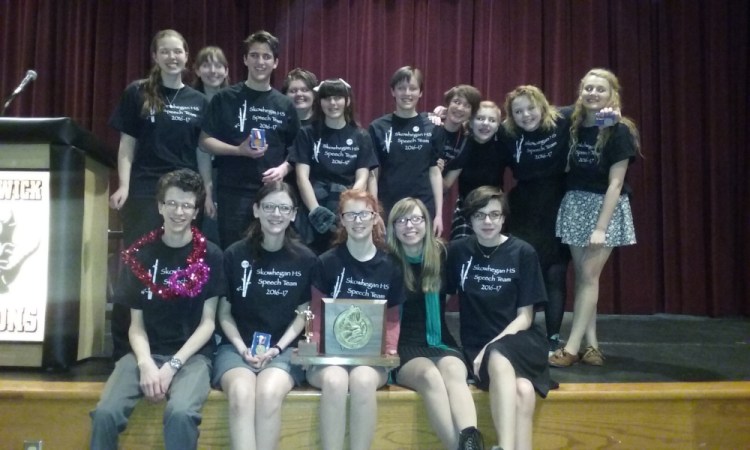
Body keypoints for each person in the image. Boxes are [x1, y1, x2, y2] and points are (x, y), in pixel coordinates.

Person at [90, 169, 224, 450]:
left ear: (196, 210)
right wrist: (146, 363)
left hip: (193, 356)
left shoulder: (211, 254)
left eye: (187, 205)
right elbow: (135, 324)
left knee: (180, 413)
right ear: (160, 206)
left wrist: (173, 366)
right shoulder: (140, 253)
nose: (179, 211)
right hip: (144, 352)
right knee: (104, 413)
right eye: (172, 203)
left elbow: (208, 323)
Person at [108, 29, 213, 361]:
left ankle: (176, 346)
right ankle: (125, 350)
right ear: (155, 56)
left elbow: (201, 153)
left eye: (178, 52)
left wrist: (206, 192)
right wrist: (123, 185)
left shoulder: (199, 101)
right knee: (137, 266)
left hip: (185, 193)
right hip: (144, 191)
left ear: (186, 56)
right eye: (165, 52)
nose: (172, 57)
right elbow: (127, 146)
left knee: (182, 267)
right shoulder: (138, 93)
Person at [214, 181, 318, 450]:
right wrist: (242, 348)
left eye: (284, 208)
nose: (276, 214)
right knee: (240, 394)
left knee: (269, 393)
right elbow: (224, 314)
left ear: (294, 214)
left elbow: (304, 313)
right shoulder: (234, 254)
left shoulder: (306, 259)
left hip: (284, 349)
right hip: (235, 349)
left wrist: (277, 348)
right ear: (256, 210)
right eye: (269, 206)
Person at [446, 186, 550, 450]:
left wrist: (491, 348)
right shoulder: (458, 251)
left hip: (519, 340)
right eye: (480, 216)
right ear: (469, 220)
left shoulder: (523, 252)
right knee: (524, 391)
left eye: (494, 214)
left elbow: (525, 317)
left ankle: (503, 447)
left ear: (504, 218)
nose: (488, 221)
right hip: (476, 344)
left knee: (499, 355)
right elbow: (441, 297)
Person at [549, 68, 640, 368]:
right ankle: (592, 346)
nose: (592, 93)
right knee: (586, 279)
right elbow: (538, 112)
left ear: (612, 93)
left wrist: (601, 227)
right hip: (576, 204)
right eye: (588, 88)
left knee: (588, 278)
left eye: (600, 89)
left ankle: (572, 348)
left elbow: (616, 184)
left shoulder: (619, 129)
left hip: (605, 208)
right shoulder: (572, 121)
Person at [307, 189, 405, 450]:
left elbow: (393, 318)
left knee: (362, 380)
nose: (358, 220)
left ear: (375, 218)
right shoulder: (326, 262)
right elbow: (315, 314)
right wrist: (316, 350)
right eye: (351, 214)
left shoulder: (391, 266)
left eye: (364, 214)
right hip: (330, 358)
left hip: (371, 360)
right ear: (342, 219)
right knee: (335, 380)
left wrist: (390, 349)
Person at [387, 197, 483, 450]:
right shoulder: (386, 261)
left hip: (441, 342)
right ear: (393, 226)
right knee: (430, 376)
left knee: (453, 372)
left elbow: (449, 293)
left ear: (427, 223)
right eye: (402, 220)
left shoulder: (442, 254)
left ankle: (471, 442)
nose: (410, 226)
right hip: (404, 348)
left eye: (416, 219)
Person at [200, 30, 300, 248]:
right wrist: (239, 150)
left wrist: (283, 170)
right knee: (234, 252)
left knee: (270, 254)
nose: (260, 61)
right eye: (254, 55)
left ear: (275, 63)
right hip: (233, 191)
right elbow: (205, 141)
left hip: (272, 193)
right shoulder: (224, 99)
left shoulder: (285, 105)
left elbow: (297, 150)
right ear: (245, 59)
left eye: (266, 57)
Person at [500, 86, 571, 354]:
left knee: (555, 273)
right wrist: (439, 114)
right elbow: (474, 125)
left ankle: (553, 337)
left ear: (542, 106)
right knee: (523, 274)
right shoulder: (507, 134)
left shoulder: (563, 120)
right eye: (518, 111)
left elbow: (594, 110)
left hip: (557, 205)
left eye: (530, 108)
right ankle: (520, 332)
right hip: (524, 208)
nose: (526, 115)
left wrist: (611, 114)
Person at [290, 78, 378, 253]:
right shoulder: (307, 133)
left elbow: (363, 177)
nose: (332, 103)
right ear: (319, 102)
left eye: (337, 97)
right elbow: (302, 177)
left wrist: (346, 207)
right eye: (327, 98)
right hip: (313, 208)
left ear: (347, 101)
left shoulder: (361, 136)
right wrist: (315, 210)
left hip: (347, 212)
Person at [368, 66, 443, 235]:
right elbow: (373, 173)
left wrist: (438, 214)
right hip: (388, 205)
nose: (407, 93)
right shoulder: (378, 127)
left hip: (423, 206)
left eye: (413, 88)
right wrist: (375, 211)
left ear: (421, 92)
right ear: (393, 91)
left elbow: (435, 172)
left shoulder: (433, 127)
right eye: (401, 88)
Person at [443, 101, 508, 240]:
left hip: (494, 205)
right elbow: (447, 183)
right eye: (480, 119)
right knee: (460, 247)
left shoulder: (502, 143)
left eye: (492, 120)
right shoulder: (463, 143)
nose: (485, 123)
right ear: (470, 123)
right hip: (466, 206)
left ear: (498, 126)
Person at [192, 45, 230, 247]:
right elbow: (201, 148)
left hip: (225, 175)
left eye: (218, 65)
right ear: (197, 70)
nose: (213, 71)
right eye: (206, 65)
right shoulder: (190, 101)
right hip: (196, 173)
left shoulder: (233, 103)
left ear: (226, 71)